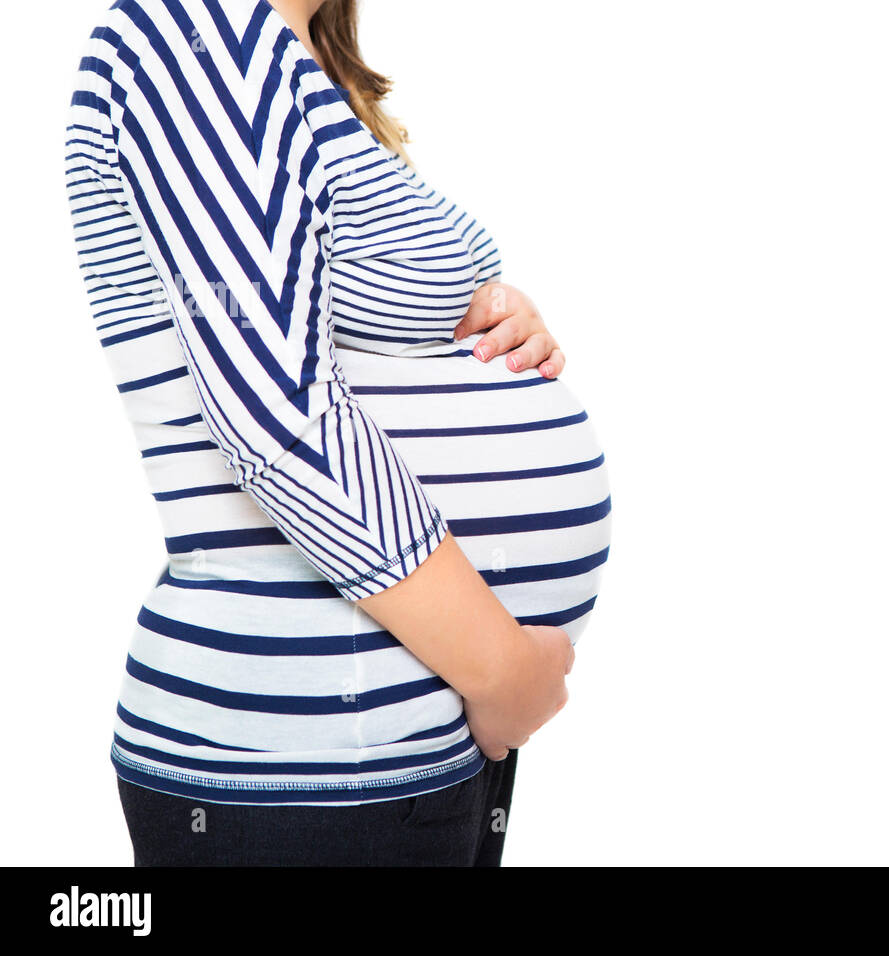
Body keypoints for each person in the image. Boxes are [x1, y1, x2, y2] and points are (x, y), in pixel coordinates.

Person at [64, 0, 612, 865]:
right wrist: (500, 671)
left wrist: (486, 317)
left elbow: (334, 317)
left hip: (402, 739)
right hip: (307, 759)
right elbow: (277, 415)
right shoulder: (193, 33)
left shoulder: (292, 61)